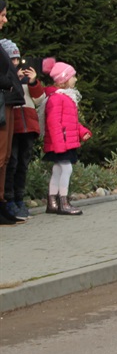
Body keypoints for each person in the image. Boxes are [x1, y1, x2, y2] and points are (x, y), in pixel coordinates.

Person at [3, 39, 46, 221]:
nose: (15, 63)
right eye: (11, 59)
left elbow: (40, 99)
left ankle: (20, 199)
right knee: (11, 163)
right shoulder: (6, 78)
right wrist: (14, 79)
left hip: (29, 127)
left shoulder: (27, 81)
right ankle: (9, 199)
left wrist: (33, 81)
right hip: (13, 127)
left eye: (17, 59)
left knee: (23, 164)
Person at [42, 62, 91, 216]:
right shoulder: (57, 98)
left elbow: (71, 122)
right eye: (73, 76)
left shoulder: (66, 97)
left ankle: (52, 202)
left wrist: (82, 132)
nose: (75, 79)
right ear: (63, 79)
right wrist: (59, 145)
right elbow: (53, 123)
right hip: (61, 142)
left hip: (63, 141)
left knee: (58, 169)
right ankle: (63, 202)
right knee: (66, 169)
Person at [0, 0, 23, 226]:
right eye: (2, 15)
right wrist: (6, 82)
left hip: (7, 103)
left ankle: (2, 203)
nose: (5, 19)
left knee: (5, 157)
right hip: (1, 103)